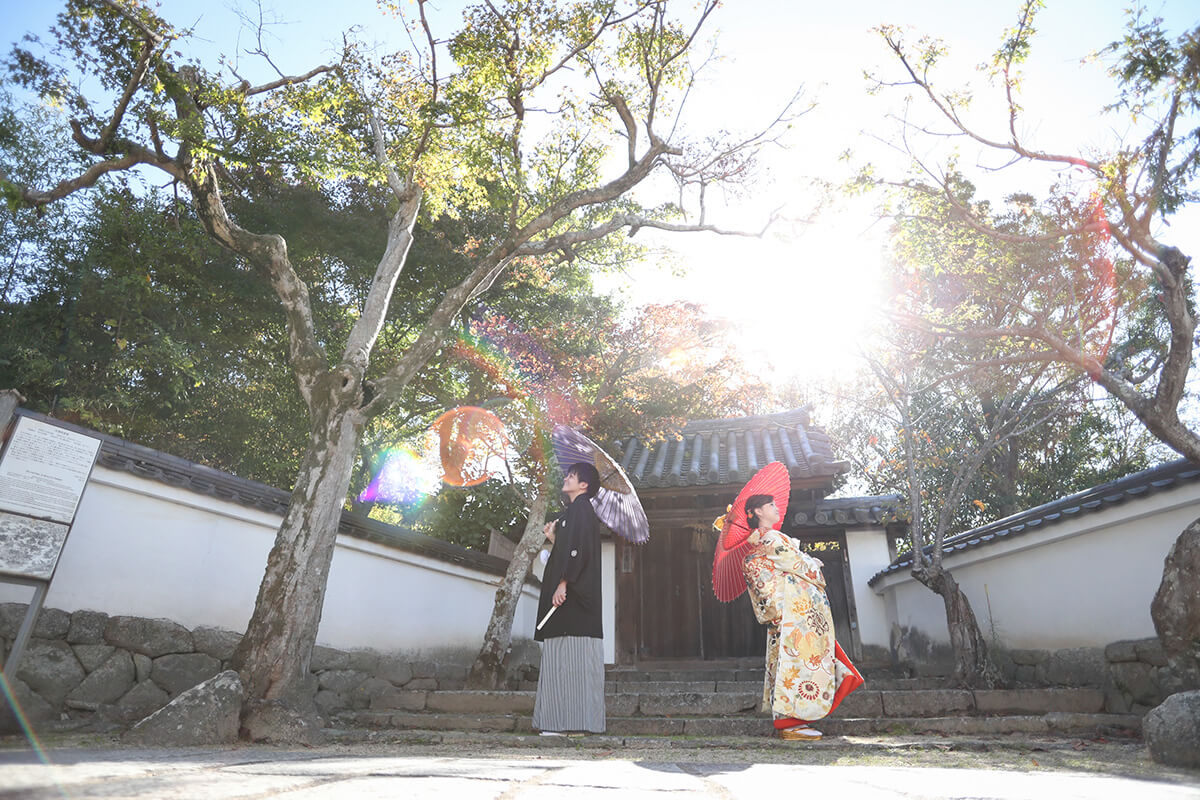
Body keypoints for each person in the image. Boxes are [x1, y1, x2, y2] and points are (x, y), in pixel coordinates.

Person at [741, 493, 863, 741]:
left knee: (791, 663)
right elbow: (798, 564)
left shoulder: (761, 541)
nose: (776, 509)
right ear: (757, 512)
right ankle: (791, 722)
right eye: (770, 505)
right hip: (794, 616)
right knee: (799, 663)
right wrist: (813, 562)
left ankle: (790, 721)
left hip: (787, 616)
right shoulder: (772, 538)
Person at [532, 461, 605, 734]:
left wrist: (563, 582)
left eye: (571, 476)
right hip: (570, 596)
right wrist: (554, 537)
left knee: (569, 659)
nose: (566, 478)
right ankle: (565, 721)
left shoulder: (581, 509)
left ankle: (565, 723)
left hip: (573, 598)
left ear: (583, 485)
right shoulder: (574, 512)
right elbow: (570, 547)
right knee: (564, 660)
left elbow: (579, 551)